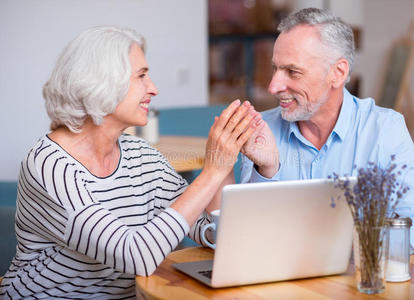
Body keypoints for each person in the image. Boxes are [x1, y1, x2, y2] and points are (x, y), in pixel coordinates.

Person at [0, 26, 262, 299]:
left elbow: (211, 234)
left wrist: (225, 159)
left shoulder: (140, 154)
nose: (154, 89)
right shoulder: (49, 165)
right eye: (142, 76)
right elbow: (136, 255)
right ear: (101, 82)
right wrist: (212, 171)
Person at [236, 8, 414, 257]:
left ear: (338, 73)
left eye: (292, 71)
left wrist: (355, 240)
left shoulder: (384, 130)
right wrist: (265, 172)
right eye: (275, 69)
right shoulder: (262, 131)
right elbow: (245, 240)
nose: (273, 86)